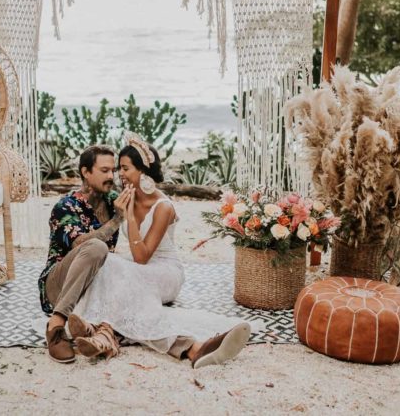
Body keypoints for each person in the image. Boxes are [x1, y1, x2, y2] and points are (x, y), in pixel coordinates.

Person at [67, 132, 251, 369]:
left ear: (143, 172)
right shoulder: (124, 197)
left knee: (120, 271)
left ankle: (99, 328)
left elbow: (142, 257)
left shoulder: (163, 206)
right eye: (119, 168)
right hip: (140, 269)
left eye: (125, 168)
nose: (119, 174)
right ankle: (104, 333)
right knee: (109, 264)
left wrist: (128, 216)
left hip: (165, 272)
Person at [39, 144, 130, 363]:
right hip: (58, 285)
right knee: (97, 247)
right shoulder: (66, 206)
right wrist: (117, 220)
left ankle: (93, 331)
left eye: (113, 170)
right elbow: (80, 244)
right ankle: (56, 326)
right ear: (85, 172)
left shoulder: (113, 201)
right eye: (104, 171)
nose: (111, 176)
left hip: (91, 285)